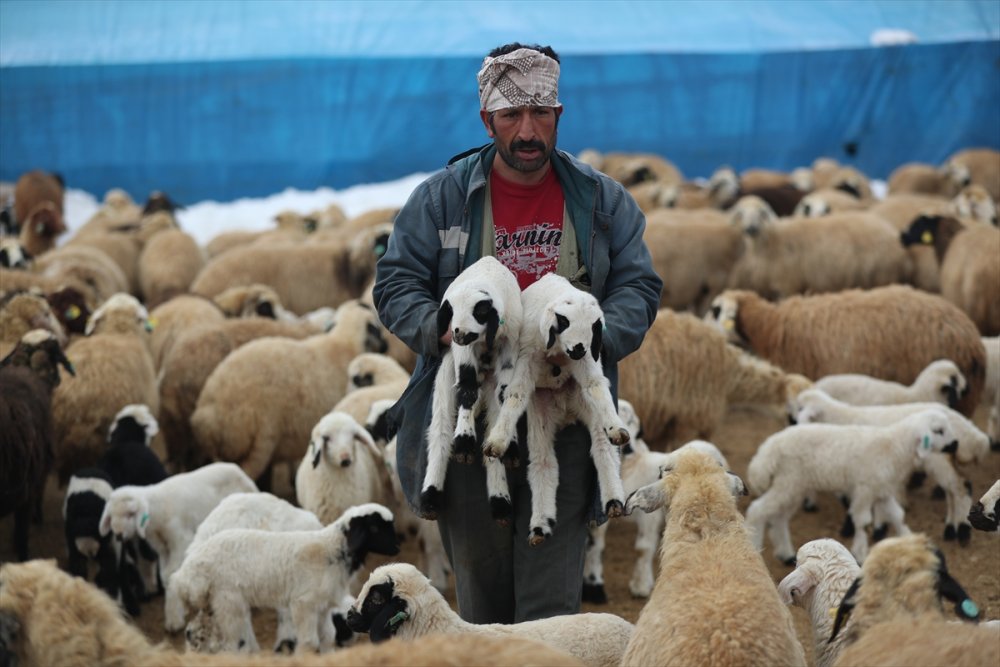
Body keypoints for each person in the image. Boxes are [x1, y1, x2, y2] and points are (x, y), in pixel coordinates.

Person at [372, 42, 662, 624]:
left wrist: (597, 337)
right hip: (473, 420)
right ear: (487, 120)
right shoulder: (443, 199)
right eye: (511, 115)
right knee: (482, 605)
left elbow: (638, 284)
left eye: (540, 113)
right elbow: (396, 281)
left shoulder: (602, 202)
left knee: (552, 610)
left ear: (559, 114)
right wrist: (443, 329)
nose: (527, 130)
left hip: (565, 419)